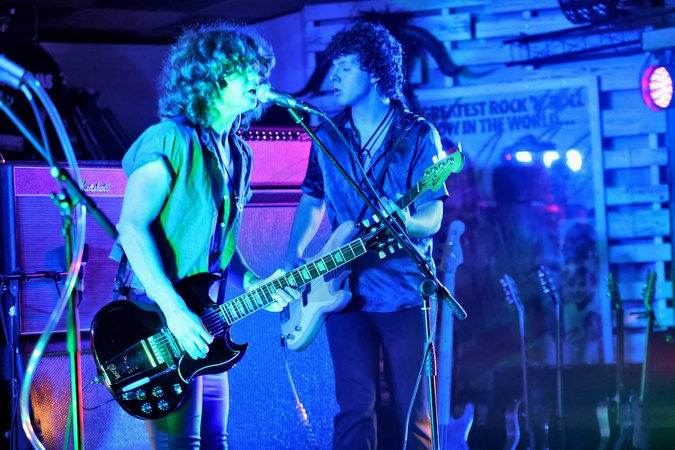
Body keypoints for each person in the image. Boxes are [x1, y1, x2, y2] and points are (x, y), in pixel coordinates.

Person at [112, 22, 298, 449]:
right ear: (211, 76)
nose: (258, 78)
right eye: (245, 68)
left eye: (260, 69)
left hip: (204, 320)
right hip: (159, 320)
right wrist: (175, 311)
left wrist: (254, 283)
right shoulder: (168, 139)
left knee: (216, 440)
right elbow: (132, 227)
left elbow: (219, 250)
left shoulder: (239, 153)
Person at [284, 21, 448, 450]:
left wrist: (407, 222)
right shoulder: (326, 134)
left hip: (403, 292)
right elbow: (313, 199)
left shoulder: (417, 135)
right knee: (353, 408)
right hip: (341, 291)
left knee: (415, 412)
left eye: (345, 66)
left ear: (374, 71)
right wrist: (293, 253)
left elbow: (432, 215)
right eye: (333, 66)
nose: (333, 77)